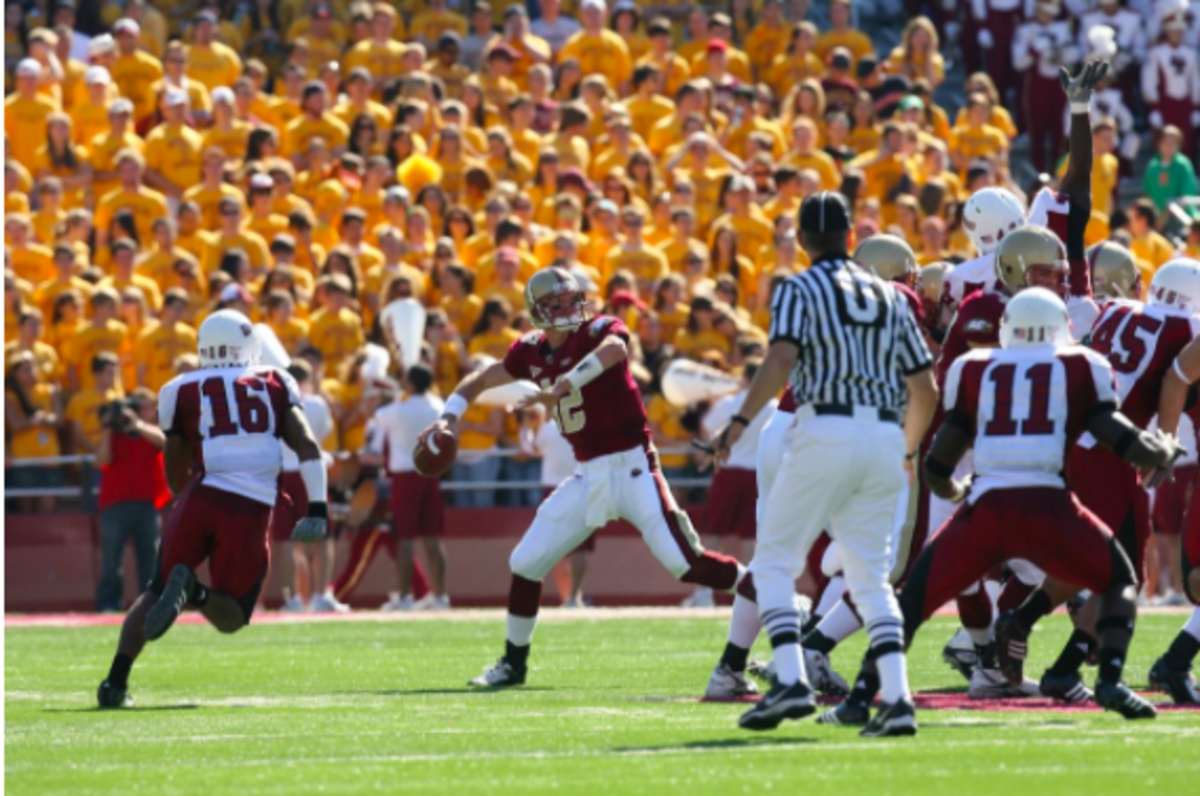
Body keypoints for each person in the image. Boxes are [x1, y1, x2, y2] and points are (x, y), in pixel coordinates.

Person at [832, 288, 1177, 722]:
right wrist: (1159, 450)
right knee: (1121, 578)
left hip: (986, 507)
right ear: (1061, 329)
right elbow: (1117, 437)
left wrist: (957, 494)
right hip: (1049, 505)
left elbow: (938, 463)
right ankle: (1109, 680)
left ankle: (860, 697)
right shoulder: (1081, 365)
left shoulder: (974, 367)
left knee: (913, 602)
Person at [420, 267, 750, 687]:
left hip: (633, 466)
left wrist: (564, 384)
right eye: (557, 302)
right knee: (525, 562)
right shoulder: (530, 350)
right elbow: (482, 379)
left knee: (686, 565)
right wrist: (447, 419)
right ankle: (513, 665)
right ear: (538, 311)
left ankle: (777, 596)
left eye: (572, 298)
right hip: (589, 473)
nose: (571, 308)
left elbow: (615, 350)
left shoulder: (598, 330)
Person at [705, 191, 936, 737]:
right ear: (850, 237)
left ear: (803, 240)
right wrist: (904, 448)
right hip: (883, 436)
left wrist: (737, 424)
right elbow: (923, 387)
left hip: (823, 426)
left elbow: (782, 356)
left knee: (774, 562)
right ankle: (897, 698)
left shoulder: (800, 287)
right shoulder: (890, 295)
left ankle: (788, 681)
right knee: (872, 577)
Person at [96, 311, 329, 709]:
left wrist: (185, 500)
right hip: (250, 504)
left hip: (201, 492)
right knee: (233, 615)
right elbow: (307, 447)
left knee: (154, 591)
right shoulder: (275, 381)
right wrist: (319, 508)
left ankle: (114, 683)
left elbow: (174, 457)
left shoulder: (179, 388)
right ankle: (197, 593)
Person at [371, 363, 450, 610]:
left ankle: (404, 597)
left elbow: (376, 415)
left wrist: (388, 397)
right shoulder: (437, 405)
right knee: (433, 538)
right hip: (431, 473)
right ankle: (440, 596)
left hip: (406, 474)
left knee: (404, 537)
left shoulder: (397, 410)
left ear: (412, 383)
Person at [94, 389, 169, 612]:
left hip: (147, 504)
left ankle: (149, 604)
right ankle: (109, 603)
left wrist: (137, 425)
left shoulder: (150, 432)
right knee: (111, 560)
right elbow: (101, 460)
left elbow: (165, 442)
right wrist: (109, 427)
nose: (146, 411)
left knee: (150, 559)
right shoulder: (114, 436)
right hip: (115, 505)